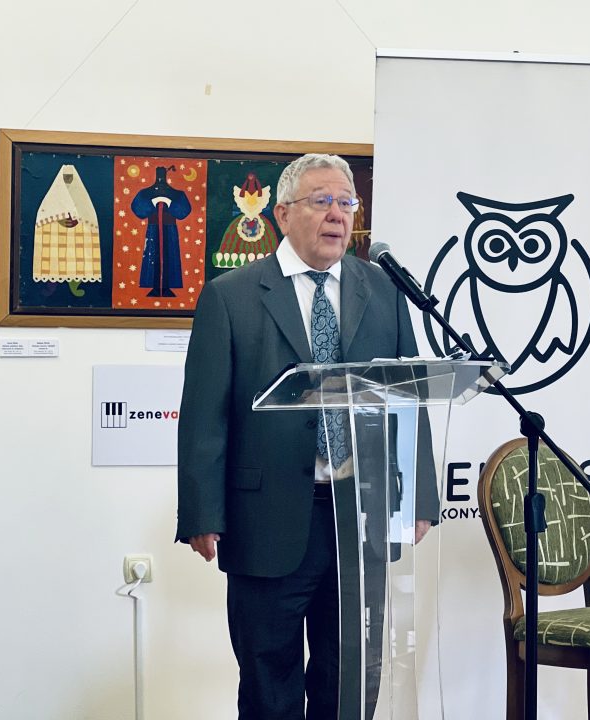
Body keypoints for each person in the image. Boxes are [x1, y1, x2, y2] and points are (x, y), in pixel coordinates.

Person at [176, 153, 436, 719]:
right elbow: (204, 414)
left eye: (347, 203)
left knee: (349, 682)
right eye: (322, 201)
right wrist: (200, 512)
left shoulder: (384, 291)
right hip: (265, 518)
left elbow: (406, 397)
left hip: (360, 516)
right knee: (269, 683)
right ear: (283, 213)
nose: (338, 214)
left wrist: (417, 496)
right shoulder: (231, 296)